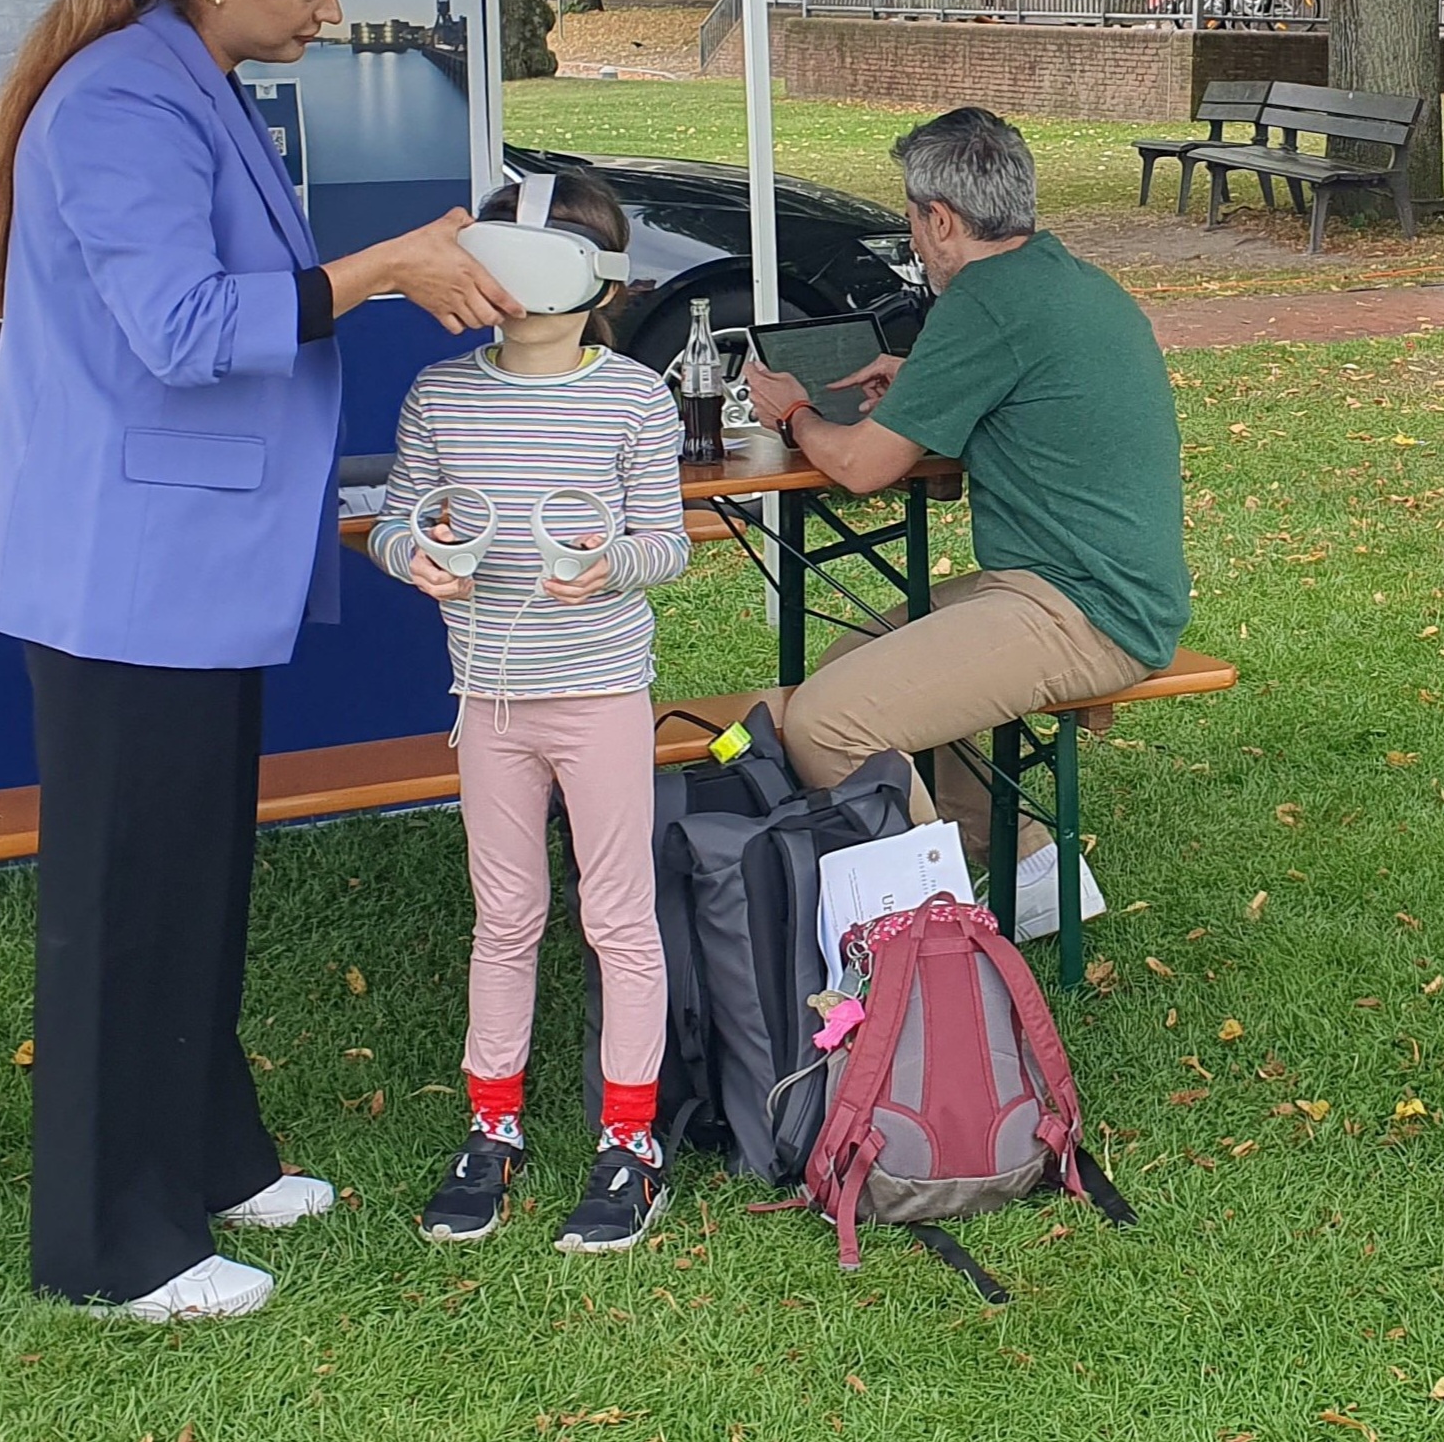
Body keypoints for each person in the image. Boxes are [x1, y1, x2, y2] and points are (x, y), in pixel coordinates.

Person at [0, 0, 522, 1323]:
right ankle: (108, 1244)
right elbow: (186, 327)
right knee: (120, 907)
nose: (329, 12)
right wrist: (385, 269)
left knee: (192, 885)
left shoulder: (180, 78)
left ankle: (206, 1157)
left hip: (187, 571)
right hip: (122, 574)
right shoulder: (120, 100)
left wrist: (390, 268)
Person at [740, 107, 1188, 938]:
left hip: (1084, 607)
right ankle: (1033, 871)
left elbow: (859, 468)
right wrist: (922, 381)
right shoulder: (1064, 279)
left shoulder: (981, 303)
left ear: (940, 220)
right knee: (858, 660)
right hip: (1099, 585)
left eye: (912, 219)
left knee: (830, 721)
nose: (913, 237)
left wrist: (792, 409)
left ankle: (938, 941)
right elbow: (1030, 391)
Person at [370, 169, 688, 1254]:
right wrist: (421, 555)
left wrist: (606, 570)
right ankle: (491, 1124)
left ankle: (631, 1140)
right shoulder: (441, 395)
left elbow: (667, 544)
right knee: (503, 914)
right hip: (490, 702)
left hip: (601, 696)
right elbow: (393, 519)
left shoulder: (635, 398)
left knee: (618, 916)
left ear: (600, 281)